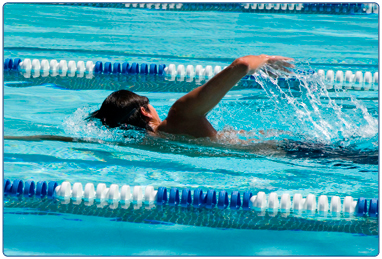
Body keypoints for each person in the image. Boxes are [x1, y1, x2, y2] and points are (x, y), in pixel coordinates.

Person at [90, 54, 294, 139]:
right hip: (286, 151)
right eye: (149, 105)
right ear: (144, 111)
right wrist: (265, 60)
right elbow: (241, 65)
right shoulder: (181, 114)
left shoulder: (145, 146)